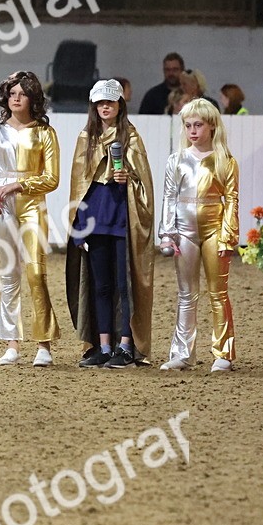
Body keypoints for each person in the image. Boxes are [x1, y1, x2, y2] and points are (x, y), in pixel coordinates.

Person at [65, 80, 155, 369]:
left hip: (122, 220)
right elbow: (78, 185)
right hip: (95, 220)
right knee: (100, 285)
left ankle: (126, 346)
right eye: (100, 103)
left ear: (119, 105)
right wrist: (78, 224)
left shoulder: (131, 137)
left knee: (123, 284)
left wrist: (127, 179)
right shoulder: (85, 139)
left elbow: (144, 184)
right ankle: (103, 346)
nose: (105, 107)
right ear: (93, 105)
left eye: (111, 102)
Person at [0, 71, 61, 367]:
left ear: (32, 98)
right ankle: (11, 344)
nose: (15, 98)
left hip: (32, 205)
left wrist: (18, 185)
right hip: (3, 206)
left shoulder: (45, 133)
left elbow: (52, 179)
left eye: (22, 94)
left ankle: (44, 345)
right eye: (12, 93)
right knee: (9, 274)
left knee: (36, 273)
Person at [157, 99, 239, 373]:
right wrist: (167, 233)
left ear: (211, 125)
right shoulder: (176, 160)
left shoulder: (225, 161)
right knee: (185, 294)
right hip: (184, 233)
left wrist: (228, 236)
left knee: (218, 293)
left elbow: (231, 200)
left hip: (215, 230)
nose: (192, 131)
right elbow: (169, 197)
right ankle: (182, 353)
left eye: (198, 125)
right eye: (188, 125)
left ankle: (223, 352)